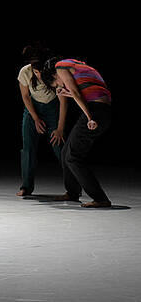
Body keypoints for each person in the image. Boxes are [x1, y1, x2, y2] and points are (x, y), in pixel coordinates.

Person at [40, 57, 113, 208]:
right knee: (66, 151)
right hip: (101, 109)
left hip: (96, 111)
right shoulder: (73, 63)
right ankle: (72, 192)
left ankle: (100, 198)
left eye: (57, 85)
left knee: (73, 157)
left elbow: (76, 93)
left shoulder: (60, 67)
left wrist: (89, 117)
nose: (60, 86)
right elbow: (82, 91)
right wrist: (67, 94)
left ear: (54, 75)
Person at [16, 44, 66, 196]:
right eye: (35, 71)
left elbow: (64, 102)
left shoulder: (53, 72)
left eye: (40, 70)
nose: (38, 74)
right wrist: (35, 118)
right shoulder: (25, 72)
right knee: (28, 147)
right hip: (33, 108)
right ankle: (26, 186)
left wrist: (60, 128)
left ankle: (73, 187)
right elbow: (25, 96)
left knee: (59, 146)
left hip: (52, 107)